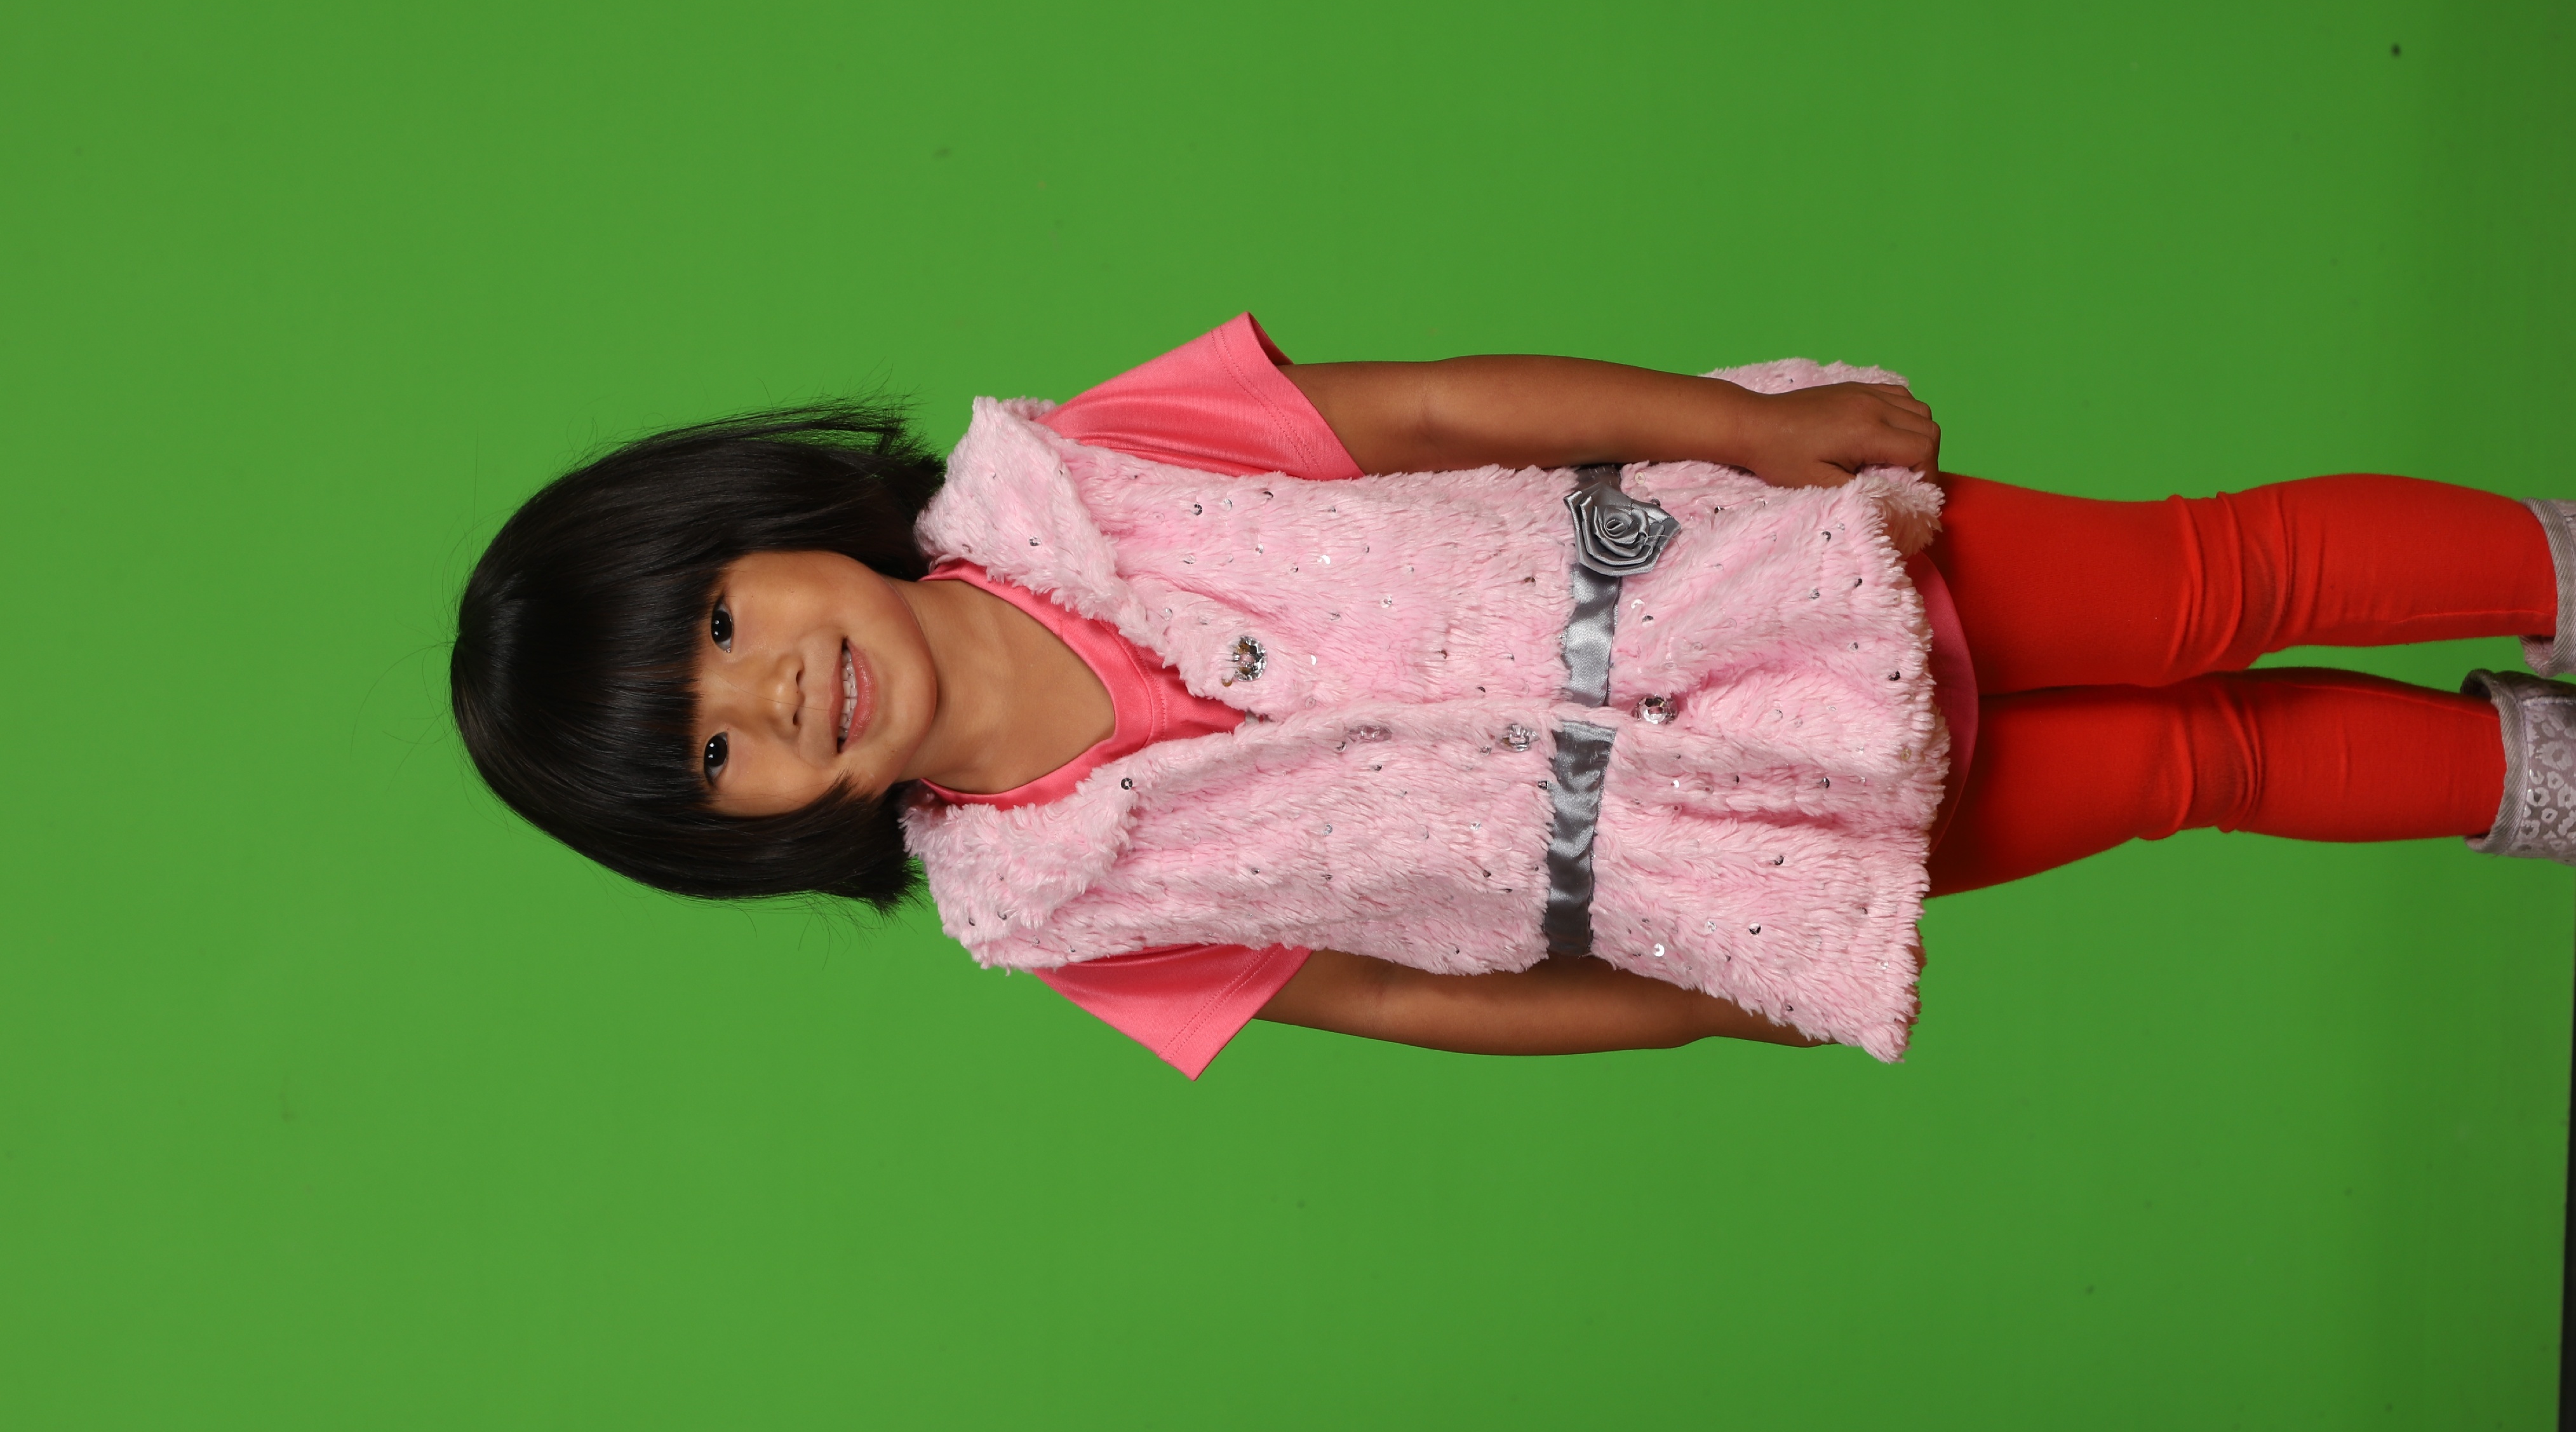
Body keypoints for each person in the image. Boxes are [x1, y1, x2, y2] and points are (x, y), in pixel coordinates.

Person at [450, 316, 2576, 1077]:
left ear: (765, 516)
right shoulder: (1052, 909)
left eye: (718, 616)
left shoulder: (1070, 469)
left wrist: (1743, 432)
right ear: (746, 836)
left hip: (1756, 568)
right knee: (2200, 765)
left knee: (2212, 577)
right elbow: (1395, 995)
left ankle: (2549, 569)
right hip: (1741, 841)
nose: (774, 692)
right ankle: (2523, 772)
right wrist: (1697, 993)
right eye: (712, 752)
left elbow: (1430, 413)